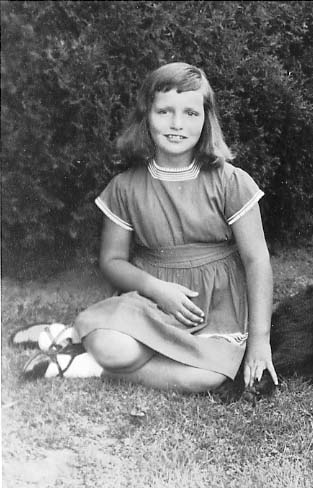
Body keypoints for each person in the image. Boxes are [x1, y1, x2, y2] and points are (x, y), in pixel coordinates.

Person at [20, 62, 278, 393]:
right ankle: (75, 338)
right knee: (115, 348)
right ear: (146, 117)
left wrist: (259, 341)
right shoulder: (126, 187)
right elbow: (112, 261)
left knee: (210, 378)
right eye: (164, 111)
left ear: (206, 120)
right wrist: (157, 290)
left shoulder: (230, 181)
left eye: (190, 113)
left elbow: (257, 260)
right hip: (153, 299)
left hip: (217, 306)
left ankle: (85, 364)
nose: (176, 124)